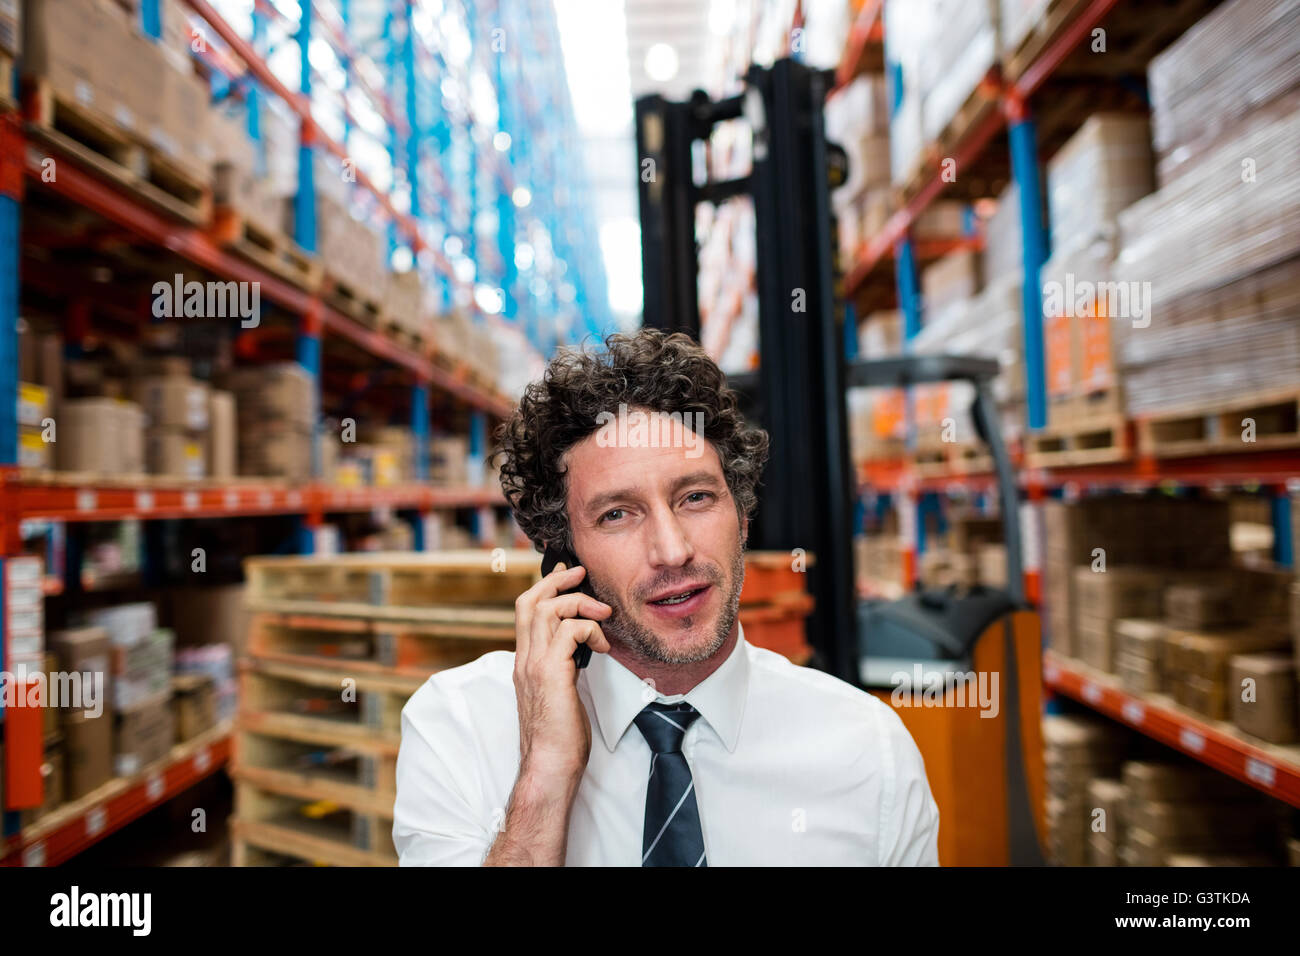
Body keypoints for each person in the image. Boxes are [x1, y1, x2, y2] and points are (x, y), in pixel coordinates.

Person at [393, 329, 939, 865]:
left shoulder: (870, 753)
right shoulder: (459, 727)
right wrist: (545, 776)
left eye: (696, 497)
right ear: (563, 554)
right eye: (617, 515)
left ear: (742, 517)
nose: (673, 550)